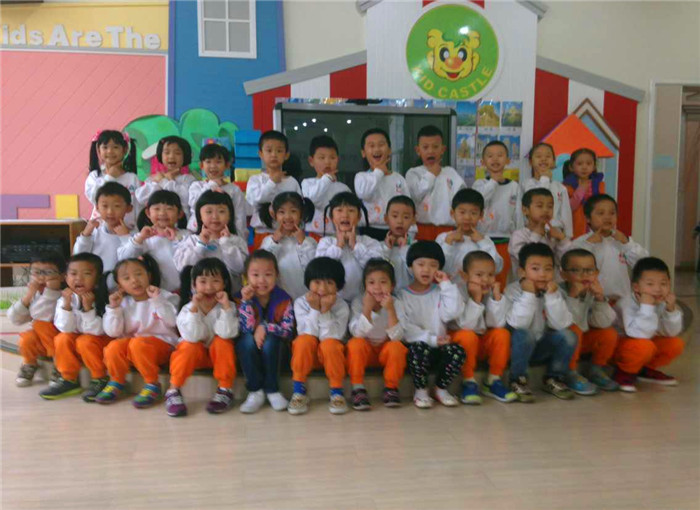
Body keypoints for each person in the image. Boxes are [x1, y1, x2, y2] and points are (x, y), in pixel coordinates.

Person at [96, 255, 179, 407]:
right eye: (126, 278)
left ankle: (152, 383)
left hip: (163, 346)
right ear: (120, 286)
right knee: (114, 347)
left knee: (138, 344)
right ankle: (116, 381)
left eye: (139, 274)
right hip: (134, 348)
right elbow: (113, 332)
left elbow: (172, 321)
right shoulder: (122, 303)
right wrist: (114, 308)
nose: (134, 280)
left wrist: (157, 300)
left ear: (149, 276)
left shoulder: (165, 296)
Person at [395, 241, 466, 408]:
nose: (426, 270)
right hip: (417, 349)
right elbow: (405, 329)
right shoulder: (402, 295)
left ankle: (441, 389)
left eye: (433, 265)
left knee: (457, 352)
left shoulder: (440, 291)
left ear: (439, 268)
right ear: (410, 267)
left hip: (439, 347)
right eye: (421, 264)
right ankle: (421, 391)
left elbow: (453, 312)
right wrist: (432, 339)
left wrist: (446, 284)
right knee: (419, 350)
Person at [505, 243, 578, 402]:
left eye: (548, 269)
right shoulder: (512, 291)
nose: (542, 274)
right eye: (535, 269)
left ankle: (554, 378)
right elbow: (518, 324)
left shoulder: (555, 291)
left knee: (569, 336)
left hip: (540, 347)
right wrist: (528, 294)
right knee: (524, 334)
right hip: (516, 349)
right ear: (522, 271)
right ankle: (517, 379)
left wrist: (552, 297)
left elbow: (561, 324)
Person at [165, 258, 238, 417]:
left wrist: (226, 307)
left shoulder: (229, 306)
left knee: (223, 341)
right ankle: (173, 390)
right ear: (194, 285)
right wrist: (194, 308)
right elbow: (192, 336)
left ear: (224, 284)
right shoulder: (187, 309)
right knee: (189, 345)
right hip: (194, 359)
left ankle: (225, 389)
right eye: (203, 281)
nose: (209, 287)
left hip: (218, 360)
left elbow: (227, 333)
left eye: (215, 281)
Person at [39, 253, 111, 401]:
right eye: (73, 274)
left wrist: (88, 309)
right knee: (62, 338)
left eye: (87, 274)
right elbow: (65, 329)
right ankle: (68, 379)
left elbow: (97, 331)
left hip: (100, 344)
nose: (79, 278)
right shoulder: (65, 299)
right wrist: (66, 306)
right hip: (80, 344)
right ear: (66, 278)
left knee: (85, 341)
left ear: (98, 278)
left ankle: (100, 378)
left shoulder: (105, 298)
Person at [449, 251, 516, 404]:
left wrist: (496, 298)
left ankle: (493, 380)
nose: (485, 280)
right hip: (461, 345)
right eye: (479, 275)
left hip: (481, 344)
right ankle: (468, 381)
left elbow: (497, 323)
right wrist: (476, 299)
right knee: (467, 335)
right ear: (465, 276)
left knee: (502, 334)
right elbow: (466, 325)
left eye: (490, 275)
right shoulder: (456, 291)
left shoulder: (491, 291)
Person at [288, 257, 350, 415]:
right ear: (308, 282)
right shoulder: (301, 303)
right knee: (303, 341)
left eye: (329, 282)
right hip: (307, 357)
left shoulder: (342, 305)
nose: (322, 288)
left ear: (338, 285)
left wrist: (326, 310)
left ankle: (336, 392)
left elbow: (334, 335)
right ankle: (299, 391)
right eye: (317, 282)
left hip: (332, 358)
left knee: (330, 344)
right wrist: (315, 309)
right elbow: (307, 332)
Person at [235, 250, 295, 413]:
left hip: (277, 351)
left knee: (271, 341)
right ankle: (255, 391)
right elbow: (245, 329)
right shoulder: (239, 298)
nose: (261, 280)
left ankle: (272, 390)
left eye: (268, 274)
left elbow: (288, 331)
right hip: (249, 351)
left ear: (276, 275)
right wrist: (246, 302)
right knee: (246, 341)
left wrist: (266, 327)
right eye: (255, 275)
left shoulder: (284, 299)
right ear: (246, 277)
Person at [613, 257, 684, 392]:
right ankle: (624, 372)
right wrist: (646, 307)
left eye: (663, 284)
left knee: (675, 343)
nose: (658, 289)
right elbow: (639, 334)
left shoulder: (661, 302)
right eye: (650, 284)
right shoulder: (627, 303)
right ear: (636, 287)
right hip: (620, 348)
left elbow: (671, 332)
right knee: (644, 346)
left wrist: (671, 311)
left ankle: (645, 370)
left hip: (643, 343)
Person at [346, 259, 407, 410]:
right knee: (355, 344)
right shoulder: (359, 302)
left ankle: (391, 388)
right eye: (371, 282)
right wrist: (367, 309)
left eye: (383, 282)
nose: (377, 287)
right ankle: (358, 388)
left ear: (392, 286)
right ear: (365, 286)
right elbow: (357, 333)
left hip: (385, 351)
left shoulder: (396, 303)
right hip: (365, 352)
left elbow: (398, 337)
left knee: (397, 347)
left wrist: (390, 310)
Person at [559, 249, 619, 392]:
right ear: (563, 274)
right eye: (576, 270)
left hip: (582, 340)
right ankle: (570, 373)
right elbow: (566, 324)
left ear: (596, 273)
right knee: (574, 330)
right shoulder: (558, 292)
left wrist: (600, 299)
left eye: (589, 270)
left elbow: (602, 323)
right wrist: (573, 297)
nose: (584, 275)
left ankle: (596, 370)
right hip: (560, 345)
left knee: (608, 333)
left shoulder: (592, 291)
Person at [572, 194, 648, 302]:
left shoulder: (621, 241)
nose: (607, 217)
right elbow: (574, 266)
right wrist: (589, 244)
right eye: (601, 213)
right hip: (593, 301)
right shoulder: (581, 242)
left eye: (612, 213)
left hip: (622, 301)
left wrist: (626, 243)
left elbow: (644, 263)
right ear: (588, 218)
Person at [174, 190, 248, 291]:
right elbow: (184, 268)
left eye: (221, 211)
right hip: (200, 297)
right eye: (209, 212)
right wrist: (201, 245)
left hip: (230, 296)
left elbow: (239, 268)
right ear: (200, 216)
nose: (215, 217)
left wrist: (226, 243)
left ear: (230, 215)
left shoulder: (237, 241)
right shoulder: (191, 240)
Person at [9, 253, 65, 387]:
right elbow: (15, 319)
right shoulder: (35, 293)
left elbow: (42, 314)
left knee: (40, 324)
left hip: (62, 344)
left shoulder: (65, 294)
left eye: (48, 272)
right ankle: (29, 363)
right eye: (36, 272)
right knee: (27, 338)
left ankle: (60, 365)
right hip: (45, 345)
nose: (41, 277)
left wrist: (51, 291)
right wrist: (28, 296)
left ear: (62, 276)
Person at [473, 140, 523, 288]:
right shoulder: (479, 184)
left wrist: (519, 239)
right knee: (482, 280)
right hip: (482, 238)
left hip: (506, 241)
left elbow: (519, 216)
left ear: (508, 160)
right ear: (483, 162)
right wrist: (494, 182)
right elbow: (478, 202)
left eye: (500, 155)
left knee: (502, 280)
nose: (495, 159)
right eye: (490, 156)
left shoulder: (514, 187)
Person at [316, 192, 383, 301]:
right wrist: (338, 246)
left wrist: (355, 246)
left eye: (351, 210)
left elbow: (377, 268)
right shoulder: (325, 242)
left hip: (364, 300)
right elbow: (320, 271)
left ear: (359, 217)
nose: (345, 215)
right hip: (333, 301)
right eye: (339, 210)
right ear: (331, 217)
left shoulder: (369, 242)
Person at [119, 190, 189, 292]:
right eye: (157, 209)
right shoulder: (144, 237)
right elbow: (124, 258)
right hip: (157, 293)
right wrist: (140, 238)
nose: (162, 213)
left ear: (180, 214)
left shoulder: (187, 235)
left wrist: (177, 238)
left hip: (186, 292)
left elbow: (192, 259)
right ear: (148, 213)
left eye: (169, 209)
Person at [406, 125, 466, 241]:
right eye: (425, 147)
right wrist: (431, 174)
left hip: (448, 228)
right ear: (418, 150)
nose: (431, 151)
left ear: (442, 149)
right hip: (421, 227)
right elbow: (415, 195)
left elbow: (462, 200)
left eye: (435, 147)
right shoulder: (413, 173)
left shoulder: (451, 173)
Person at [246, 130, 301, 250]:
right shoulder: (255, 180)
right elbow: (254, 200)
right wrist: (272, 182)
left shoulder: (292, 182)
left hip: (289, 234)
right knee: (263, 261)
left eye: (279, 151)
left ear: (286, 155)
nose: (274, 155)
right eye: (269, 150)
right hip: (262, 232)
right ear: (260, 154)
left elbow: (299, 208)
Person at [354, 128, 410, 240]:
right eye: (371, 145)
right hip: (368, 230)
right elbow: (364, 194)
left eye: (381, 145)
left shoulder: (399, 178)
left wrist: (410, 232)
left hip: (396, 230)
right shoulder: (361, 177)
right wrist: (379, 171)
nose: (377, 149)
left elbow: (408, 206)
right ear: (363, 153)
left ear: (389, 150)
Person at [258, 192, 317, 299]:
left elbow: (314, 269)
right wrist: (274, 241)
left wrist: (302, 242)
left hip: (307, 299)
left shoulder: (310, 242)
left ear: (301, 214)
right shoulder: (269, 241)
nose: (288, 216)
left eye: (293, 211)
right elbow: (262, 266)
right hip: (280, 301)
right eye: (282, 212)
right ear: (274, 215)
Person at [436, 188, 502, 281]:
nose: (467, 217)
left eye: (473, 213)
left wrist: (483, 242)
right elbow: (438, 267)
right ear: (452, 213)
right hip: (448, 288)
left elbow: (497, 268)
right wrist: (448, 243)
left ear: (481, 215)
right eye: (462, 212)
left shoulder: (484, 240)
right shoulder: (444, 238)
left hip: (479, 289)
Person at [508, 188, 571, 279]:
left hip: (551, 283)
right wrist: (537, 234)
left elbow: (566, 261)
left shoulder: (552, 234)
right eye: (540, 206)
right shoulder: (518, 235)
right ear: (525, 210)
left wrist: (562, 239)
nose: (546, 210)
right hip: (526, 285)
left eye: (550, 206)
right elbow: (526, 259)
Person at [188, 142, 247, 237]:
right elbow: (195, 205)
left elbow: (239, 217)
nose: (213, 166)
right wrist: (213, 184)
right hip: (198, 233)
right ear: (201, 165)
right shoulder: (196, 186)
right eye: (208, 162)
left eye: (218, 162)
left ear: (227, 165)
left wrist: (239, 239)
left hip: (225, 235)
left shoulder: (234, 190)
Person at [73, 182, 133, 275]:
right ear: (97, 207)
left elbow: (133, 259)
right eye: (105, 206)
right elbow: (78, 257)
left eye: (117, 206)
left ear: (129, 208)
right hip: (97, 282)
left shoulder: (134, 235)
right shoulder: (94, 233)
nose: (110, 212)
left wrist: (126, 237)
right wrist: (85, 235)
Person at [85, 130, 139, 228]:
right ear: (98, 150)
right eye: (105, 147)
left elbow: (137, 206)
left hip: (127, 229)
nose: (110, 151)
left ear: (125, 150)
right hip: (101, 229)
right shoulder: (95, 176)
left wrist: (136, 228)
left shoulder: (132, 178)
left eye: (115, 147)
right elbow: (93, 198)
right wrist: (109, 176)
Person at [301, 135, 350, 239]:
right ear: (311, 161)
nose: (327, 162)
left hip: (336, 236)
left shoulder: (343, 188)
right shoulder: (307, 183)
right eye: (322, 158)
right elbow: (311, 201)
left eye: (332, 158)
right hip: (312, 235)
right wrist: (327, 178)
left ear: (338, 160)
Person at [136, 135, 196, 219]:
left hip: (181, 224)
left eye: (177, 153)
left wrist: (165, 181)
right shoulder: (154, 178)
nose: (171, 156)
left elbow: (185, 200)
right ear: (160, 155)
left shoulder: (189, 179)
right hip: (156, 224)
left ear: (185, 156)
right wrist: (157, 182)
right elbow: (141, 198)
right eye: (167, 152)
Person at [522, 142, 573, 237]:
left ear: (554, 162)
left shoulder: (560, 187)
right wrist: (545, 179)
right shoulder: (525, 185)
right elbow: (522, 211)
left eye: (548, 156)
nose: (543, 159)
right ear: (530, 162)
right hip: (531, 232)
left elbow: (566, 214)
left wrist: (568, 236)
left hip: (555, 233)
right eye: (538, 156)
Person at [563, 148, 605, 238]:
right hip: (575, 228)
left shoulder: (599, 185)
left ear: (594, 167)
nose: (584, 167)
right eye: (579, 164)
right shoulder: (566, 186)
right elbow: (569, 207)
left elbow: (602, 206)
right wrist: (581, 189)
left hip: (594, 228)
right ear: (571, 167)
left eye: (588, 163)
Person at [381, 195, 417, 290]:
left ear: (413, 220)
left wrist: (405, 249)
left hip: (410, 295)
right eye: (395, 216)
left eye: (406, 217)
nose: (400, 221)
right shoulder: (378, 246)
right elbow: (378, 271)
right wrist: (387, 249)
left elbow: (417, 273)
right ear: (386, 218)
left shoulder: (417, 247)